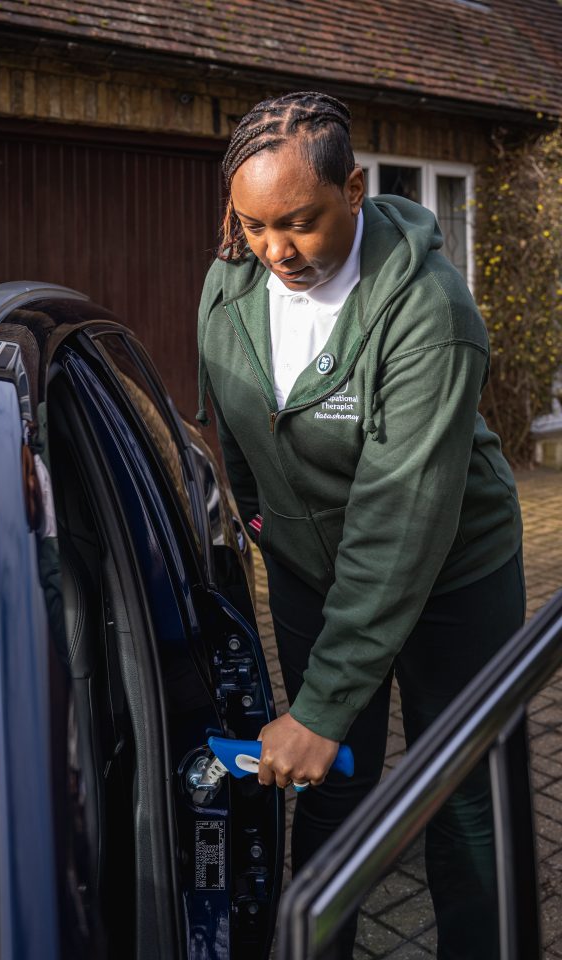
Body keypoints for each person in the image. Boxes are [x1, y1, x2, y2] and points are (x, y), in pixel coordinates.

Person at [196, 91, 524, 959]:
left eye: (298, 222)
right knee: (333, 783)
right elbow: (232, 432)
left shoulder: (430, 316)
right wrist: (270, 529)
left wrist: (326, 706)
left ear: (356, 188)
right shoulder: (233, 282)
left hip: (454, 567)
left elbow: (400, 520)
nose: (275, 250)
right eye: (254, 225)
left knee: (463, 790)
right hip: (316, 568)